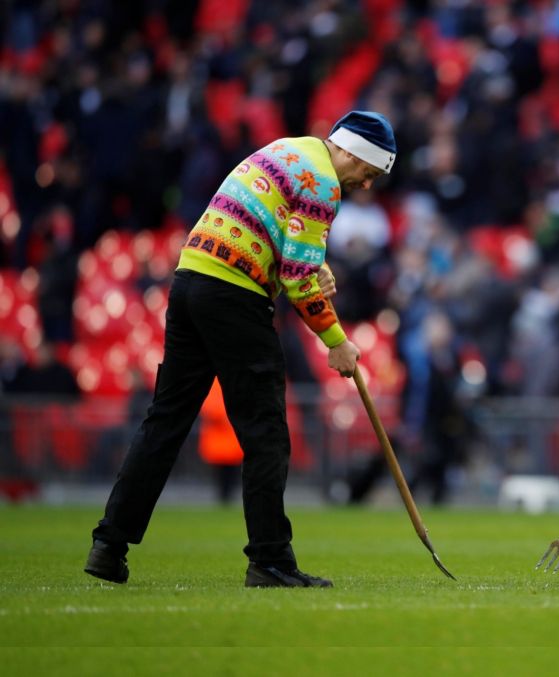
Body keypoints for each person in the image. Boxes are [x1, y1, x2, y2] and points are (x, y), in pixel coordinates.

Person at [84, 111, 397, 588]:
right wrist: (337, 342)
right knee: (265, 430)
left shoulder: (289, 150)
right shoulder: (323, 183)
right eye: (369, 173)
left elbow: (279, 238)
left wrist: (316, 266)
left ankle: (109, 545)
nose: (366, 185)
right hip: (235, 294)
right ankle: (270, 560)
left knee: (165, 420)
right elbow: (295, 278)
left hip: (190, 280)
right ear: (350, 152)